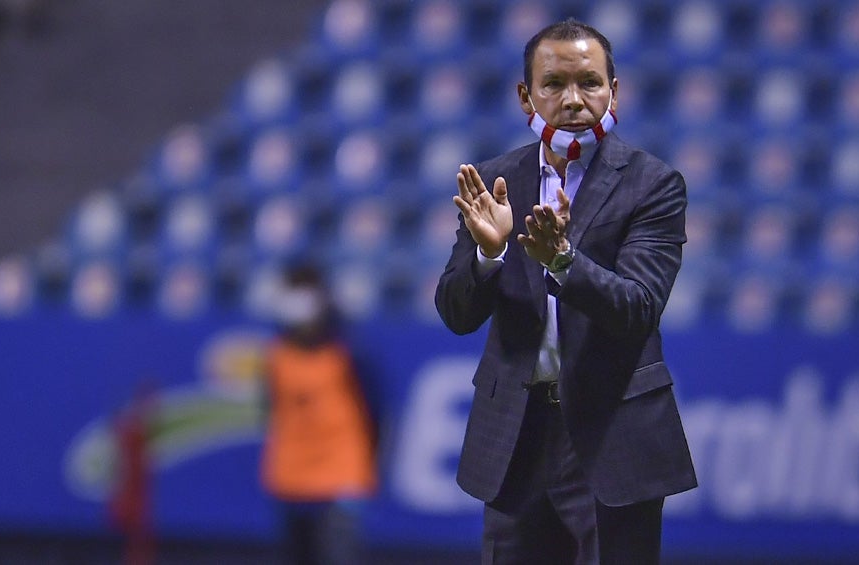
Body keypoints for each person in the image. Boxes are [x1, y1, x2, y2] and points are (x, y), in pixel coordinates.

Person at [435, 19, 697, 565]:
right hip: (515, 436)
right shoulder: (493, 180)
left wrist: (561, 260)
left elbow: (638, 308)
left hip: (611, 437)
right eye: (554, 84)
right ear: (525, 94)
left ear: (614, 90)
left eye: (590, 83)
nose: (573, 100)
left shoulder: (654, 184)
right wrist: (489, 255)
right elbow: (457, 315)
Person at [259, 264, 377, 565]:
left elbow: (375, 411)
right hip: (291, 476)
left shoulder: (349, 351)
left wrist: (367, 465)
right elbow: (270, 412)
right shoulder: (276, 354)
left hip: (340, 476)